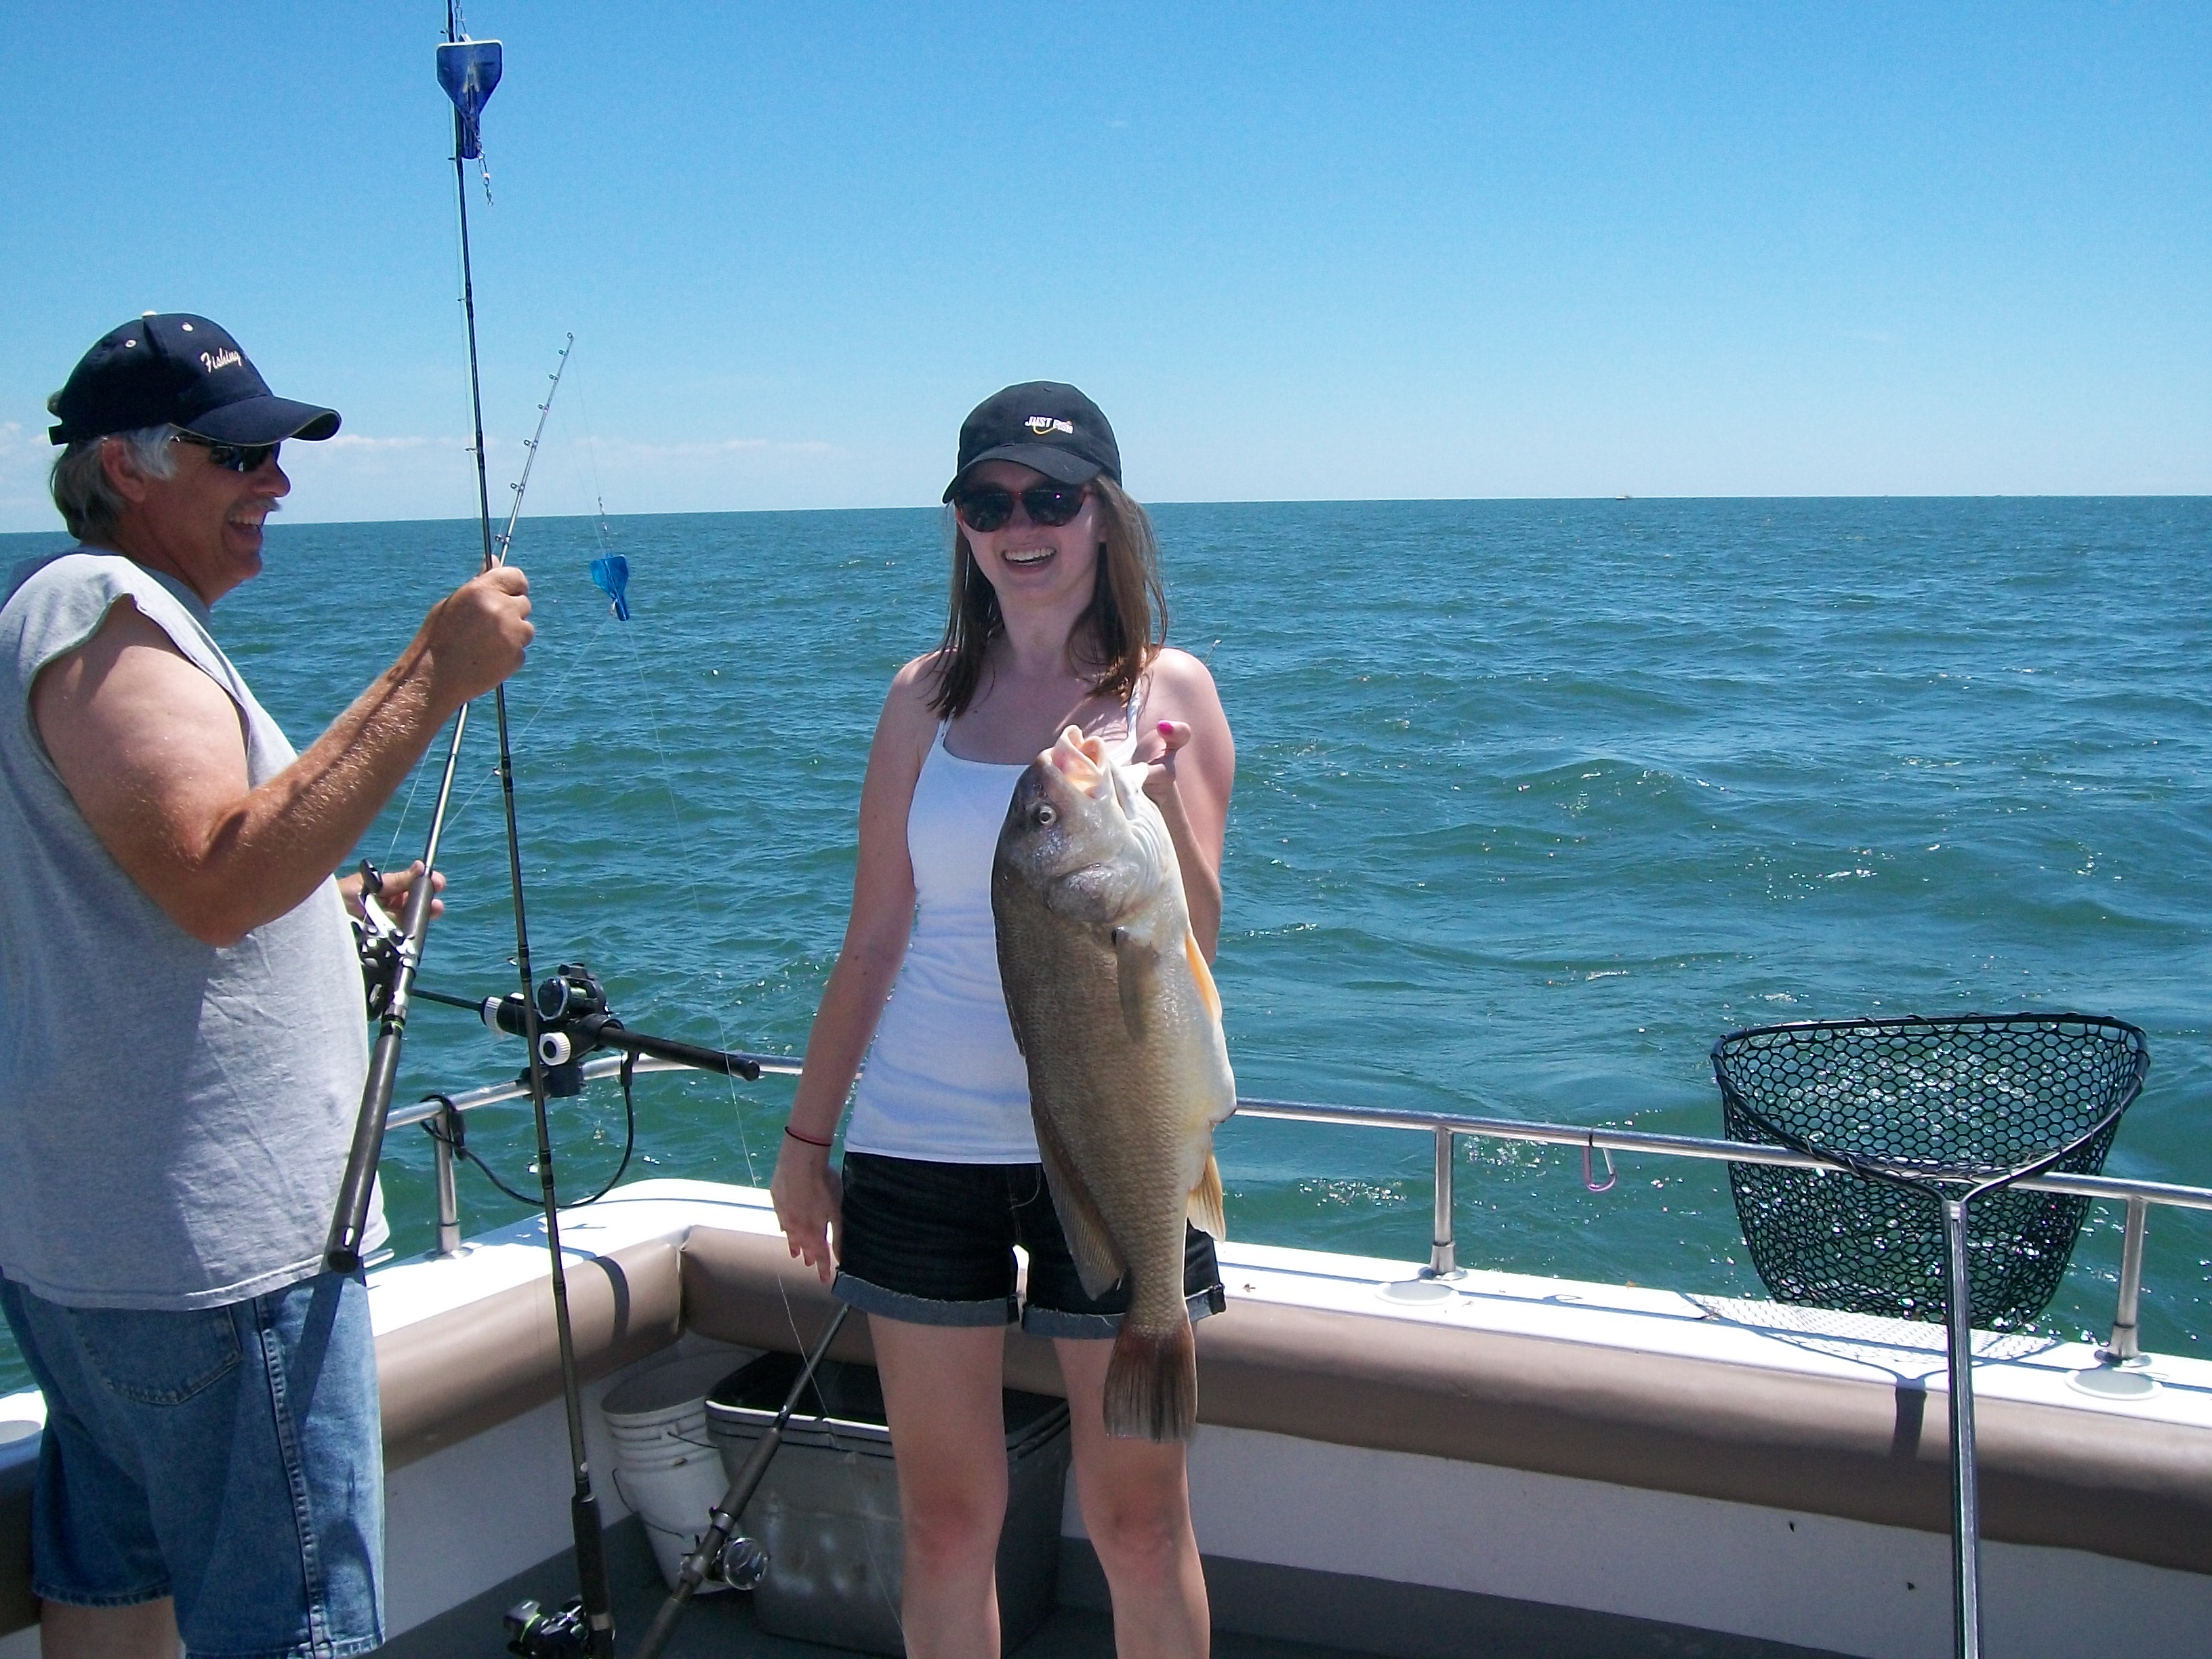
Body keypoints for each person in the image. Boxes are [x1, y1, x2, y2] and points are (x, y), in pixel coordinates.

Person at [0, 313, 533, 1659]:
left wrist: (344, 908)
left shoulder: (93, 622)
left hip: (101, 1252)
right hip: (216, 1268)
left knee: (112, 1588)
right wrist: (434, 670)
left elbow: (138, 893)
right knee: (293, 1625)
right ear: (125, 466)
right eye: (239, 457)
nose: (274, 487)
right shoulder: (100, 612)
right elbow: (217, 876)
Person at [771, 382, 1234, 1658]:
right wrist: (809, 1144)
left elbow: (1196, 938)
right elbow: (874, 936)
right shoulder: (921, 698)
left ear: (1105, 515)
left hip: (1115, 1140)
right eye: (988, 501)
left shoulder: (1168, 691)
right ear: (961, 525)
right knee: (944, 1520)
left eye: (1051, 497)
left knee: (1139, 1522)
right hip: (921, 1139)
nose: (1019, 525)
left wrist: (1152, 811)